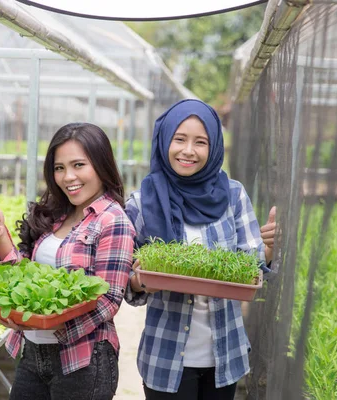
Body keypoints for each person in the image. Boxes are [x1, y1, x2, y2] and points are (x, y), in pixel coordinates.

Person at [124, 99, 277, 400]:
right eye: (179, 139)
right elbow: (126, 282)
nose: (188, 151)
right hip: (165, 357)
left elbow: (252, 266)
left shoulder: (233, 195)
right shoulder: (142, 201)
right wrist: (142, 280)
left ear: (215, 147)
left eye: (200, 142)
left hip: (225, 353)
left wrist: (267, 251)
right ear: (164, 140)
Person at [0, 122, 135, 400]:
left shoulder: (113, 220)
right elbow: (23, 280)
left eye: (79, 165)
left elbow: (109, 299)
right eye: (59, 167)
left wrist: (49, 323)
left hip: (83, 359)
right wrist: (0, 236)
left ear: (101, 165)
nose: (68, 177)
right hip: (32, 353)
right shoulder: (56, 214)